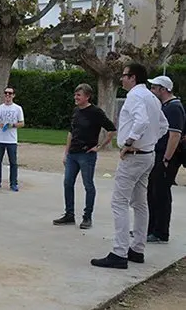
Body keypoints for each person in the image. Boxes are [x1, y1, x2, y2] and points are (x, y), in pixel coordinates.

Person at [91, 63, 168, 269]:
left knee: (119, 202)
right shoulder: (152, 97)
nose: (122, 79)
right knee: (140, 203)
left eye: (124, 75)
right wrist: (149, 141)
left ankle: (119, 251)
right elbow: (163, 126)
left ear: (133, 77)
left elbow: (141, 122)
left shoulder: (135, 96)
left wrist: (129, 143)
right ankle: (137, 249)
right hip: (147, 155)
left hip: (134, 156)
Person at [53, 84, 116, 229]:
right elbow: (71, 132)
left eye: (79, 95)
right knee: (68, 183)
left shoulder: (95, 112)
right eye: (75, 94)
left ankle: (87, 217)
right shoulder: (76, 111)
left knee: (88, 185)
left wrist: (99, 147)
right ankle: (69, 214)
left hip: (86, 155)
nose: (76, 97)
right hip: (72, 155)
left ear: (87, 96)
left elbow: (111, 129)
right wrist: (66, 152)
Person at [146, 75, 184, 244]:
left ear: (163, 89)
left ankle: (160, 232)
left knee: (160, 193)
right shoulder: (166, 106)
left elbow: (174, 135)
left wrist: (167, 159)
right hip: (159, 154)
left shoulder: (174, 108)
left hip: (166, 156)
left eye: (154, 88)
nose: (152, 91)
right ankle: (150, 228)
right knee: (152, 192)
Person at [0, 86, 25, 192]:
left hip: (12, 140)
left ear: (13, 95)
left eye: (10, 93)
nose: (7, 95)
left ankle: (13, 183)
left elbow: (22, 123)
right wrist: (0, 124)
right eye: (6, 93)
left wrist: (13, 125)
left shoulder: (18, 108)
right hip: (0, 138)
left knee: (13, 162)